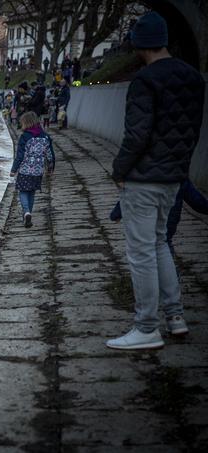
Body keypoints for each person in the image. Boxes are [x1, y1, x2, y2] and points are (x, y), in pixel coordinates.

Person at [107, 12, 205, 350]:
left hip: (143, 179)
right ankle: (175, 317)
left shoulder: (145, 81)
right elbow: (191, 131)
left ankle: (146, 327)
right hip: (173, 178)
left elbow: (136, 135)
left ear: (138, 44)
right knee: (160, 243)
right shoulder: (193, 77)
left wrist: (119, 170)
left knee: (140, 253)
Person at [110, 179, 208, 256]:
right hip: (168, 221)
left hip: (147, 219)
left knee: (146, 248)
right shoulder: (179, 174)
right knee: (164, 244)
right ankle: (171, 276)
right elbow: (196, 200)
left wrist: (117, 213)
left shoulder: (145, 172)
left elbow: (131, 194)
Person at [10, 112, 55, 228]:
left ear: (26, 123)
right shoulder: (45, 136)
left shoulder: (25, 137)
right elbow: (50, 154)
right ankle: (28, 215)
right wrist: (50, 167)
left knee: (23, 191)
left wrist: (14, 169)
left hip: (25, 170)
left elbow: (20, 155)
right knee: (32, 192)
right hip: (38, 171)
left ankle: (26, 212)